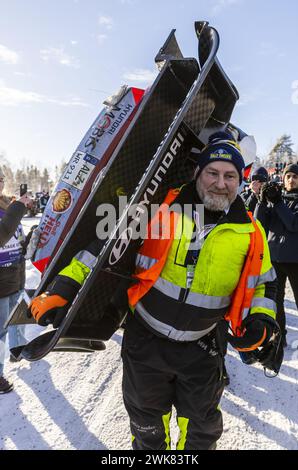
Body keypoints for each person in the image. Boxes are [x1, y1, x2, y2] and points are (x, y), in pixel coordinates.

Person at [29, 132, 279, 450]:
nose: (220, 183)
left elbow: (264, 282)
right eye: (212, 173)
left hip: (202, 349)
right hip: (145, 342)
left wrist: (262, 319)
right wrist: (64, 287)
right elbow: (105, 248)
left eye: (230, 175)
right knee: (148, 433)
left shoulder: (250, 230)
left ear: (240, 180)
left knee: (200, 437)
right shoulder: (161, 208)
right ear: (198, 173)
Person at [255, 163, 298, 347]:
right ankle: (279, 337)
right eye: (288, 176)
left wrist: (278, 202)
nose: (291, 180)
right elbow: (259, 223)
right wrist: (261, 200)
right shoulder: (277, 199)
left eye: (295, 177)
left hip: (296, 261)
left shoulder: (289, 201)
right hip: (274, 258)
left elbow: (294, 224)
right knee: (276, 302)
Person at [0, 168, 33, 394]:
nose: (1, 183)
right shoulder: (12, 207)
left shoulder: (5, 204)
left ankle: (17, 349)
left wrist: (30, 239)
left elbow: (14, 237)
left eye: (1, 179)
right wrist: (19, 207)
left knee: (18, 317)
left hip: (15, 275)